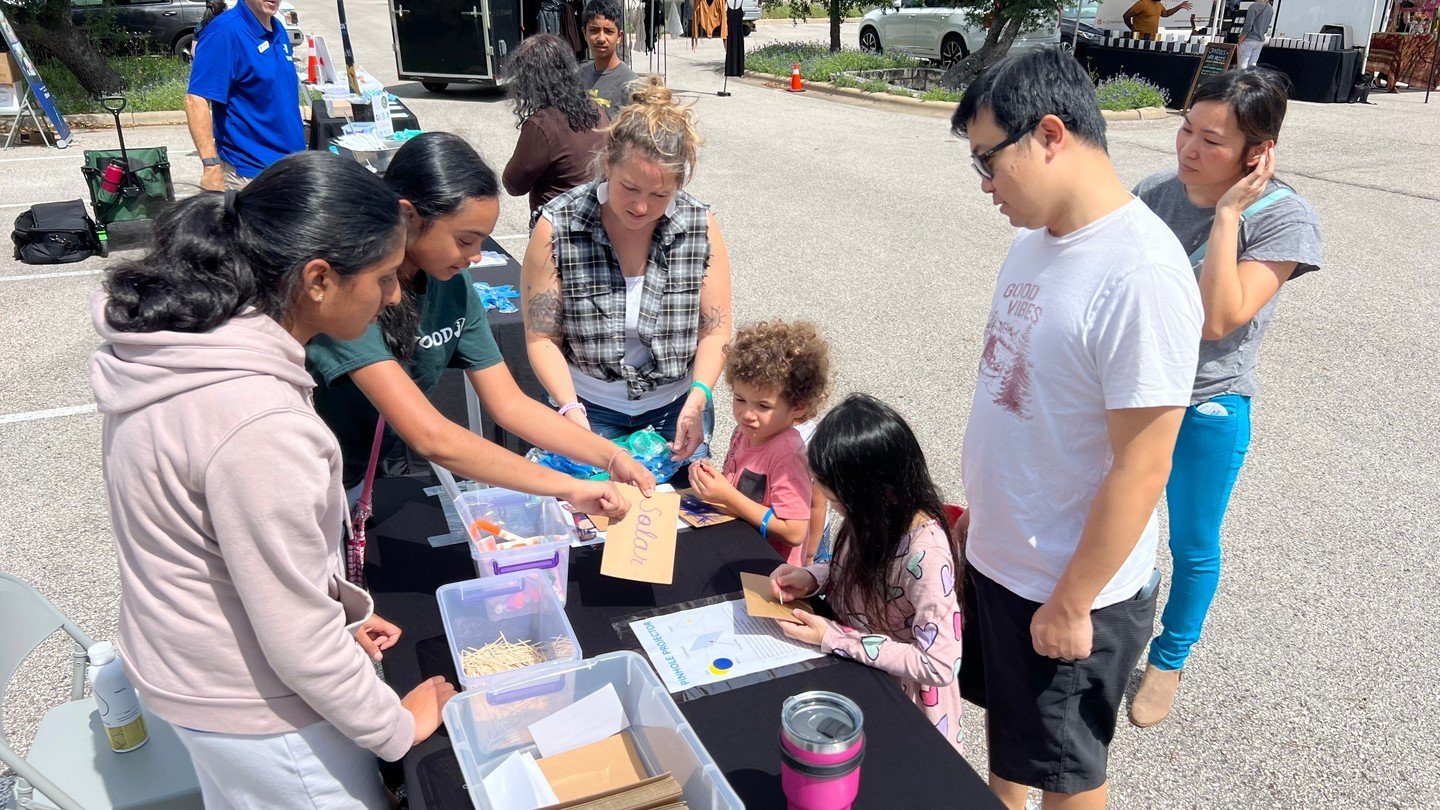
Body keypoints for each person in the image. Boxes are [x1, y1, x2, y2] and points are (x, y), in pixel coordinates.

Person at [90, 152, 454, 807]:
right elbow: (296, 645)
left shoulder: (184, 345)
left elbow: (223, 548)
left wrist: (332, 614)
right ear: (318, 279)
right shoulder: (260, 422)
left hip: (191, 668)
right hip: (256, 710)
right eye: (380, 277)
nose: (395, 294)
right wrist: (398, 729)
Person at [951, 49, 1202, 809]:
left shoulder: (1141, 274)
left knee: (1067, 775)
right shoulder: (1034, 242)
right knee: (1011, 739)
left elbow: (1143, 465)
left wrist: (1073, 598)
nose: (986, 186)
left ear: (1050, 134)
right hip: (1006, 559)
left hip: (1069, 588)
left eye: (988, 163)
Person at [306, 132, 651, 514]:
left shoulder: (450, 283)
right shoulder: (354, 290)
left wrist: (611, 456)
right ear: (408, 216)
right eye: (465, 240)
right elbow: (431, 437)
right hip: (312, 480)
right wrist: (566, 487)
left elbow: (508, 403)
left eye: (481, 241)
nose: (475, 256)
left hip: (363, 476)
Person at [1128, 67, 1320, 728]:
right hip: (1135, 393)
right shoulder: (1156, 192)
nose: (1189, 149)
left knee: (1193, 541)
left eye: (1212, 140)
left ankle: (1170, 658)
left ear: (1256, 153)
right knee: (1106, 514)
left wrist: (1230, 211)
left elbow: (1219, 318)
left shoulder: (1283, 217)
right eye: (1185, 128)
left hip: (1209, 402)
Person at [521, 77, 732, 489]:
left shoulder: (698, 225)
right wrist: (569, 411)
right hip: (587, 409)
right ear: (606, 165)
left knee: (680, 532)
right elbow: (541, 337)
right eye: (629, 188)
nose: (640, 206)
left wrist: (700, 394)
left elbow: (715, 328)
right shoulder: (559, 225)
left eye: (660, 195)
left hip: (678, 409)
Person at [770, 394, 964, 754]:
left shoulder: (927, 557)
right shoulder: (874, 519)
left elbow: (939, 664)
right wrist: (814, 577)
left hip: (903, 707)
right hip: (859, 673)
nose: (836, 510)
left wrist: (835, 638)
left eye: (839, 501)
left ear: (878, 493)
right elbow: (859, 569)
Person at [690, 320, 830, 565]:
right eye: (739, 399)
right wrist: (711, 482)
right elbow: (735, 484)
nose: (747, 414)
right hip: (741, 545)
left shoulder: (787, 454)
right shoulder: (747, 431)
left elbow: (794, 531)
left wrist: (727, 496)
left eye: (763, 406)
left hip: (770, 566)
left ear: (798, 406)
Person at [185, 0, 304, 191]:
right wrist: (211, 165)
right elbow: (196, 99)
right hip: (250, 175)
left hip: (292, 167)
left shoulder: (277, 27)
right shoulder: (224, 32)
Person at [503, 34, 611, 215]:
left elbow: (514, 185)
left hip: (559, 227)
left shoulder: (542, 125)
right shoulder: (596, 108)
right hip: (597, 219)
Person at [579, 0, 640, 112]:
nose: (601, 38)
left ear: (619, 36)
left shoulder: (631, 85)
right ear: (584, 33)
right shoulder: (579, 77)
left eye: (608, 31)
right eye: (594, 30)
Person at [1123, 0, 1193, 38]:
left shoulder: (1158, 4)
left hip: (1152, 37)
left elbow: (1166, 14)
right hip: (1138, 38)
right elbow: (1126, 16)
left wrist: (1179, 6)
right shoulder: (1142, 3)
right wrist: (1131, 27)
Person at [1237, 0, 1274, 69]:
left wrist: (1241, 37)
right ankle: (1251, 79)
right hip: (1260, 40)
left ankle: (1243, 79)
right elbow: (1266, 26)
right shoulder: (1270, 8)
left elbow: (1248, 25)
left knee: (1242, 65)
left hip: (1249, 38)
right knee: (1253, 65)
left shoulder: (1254, 6)